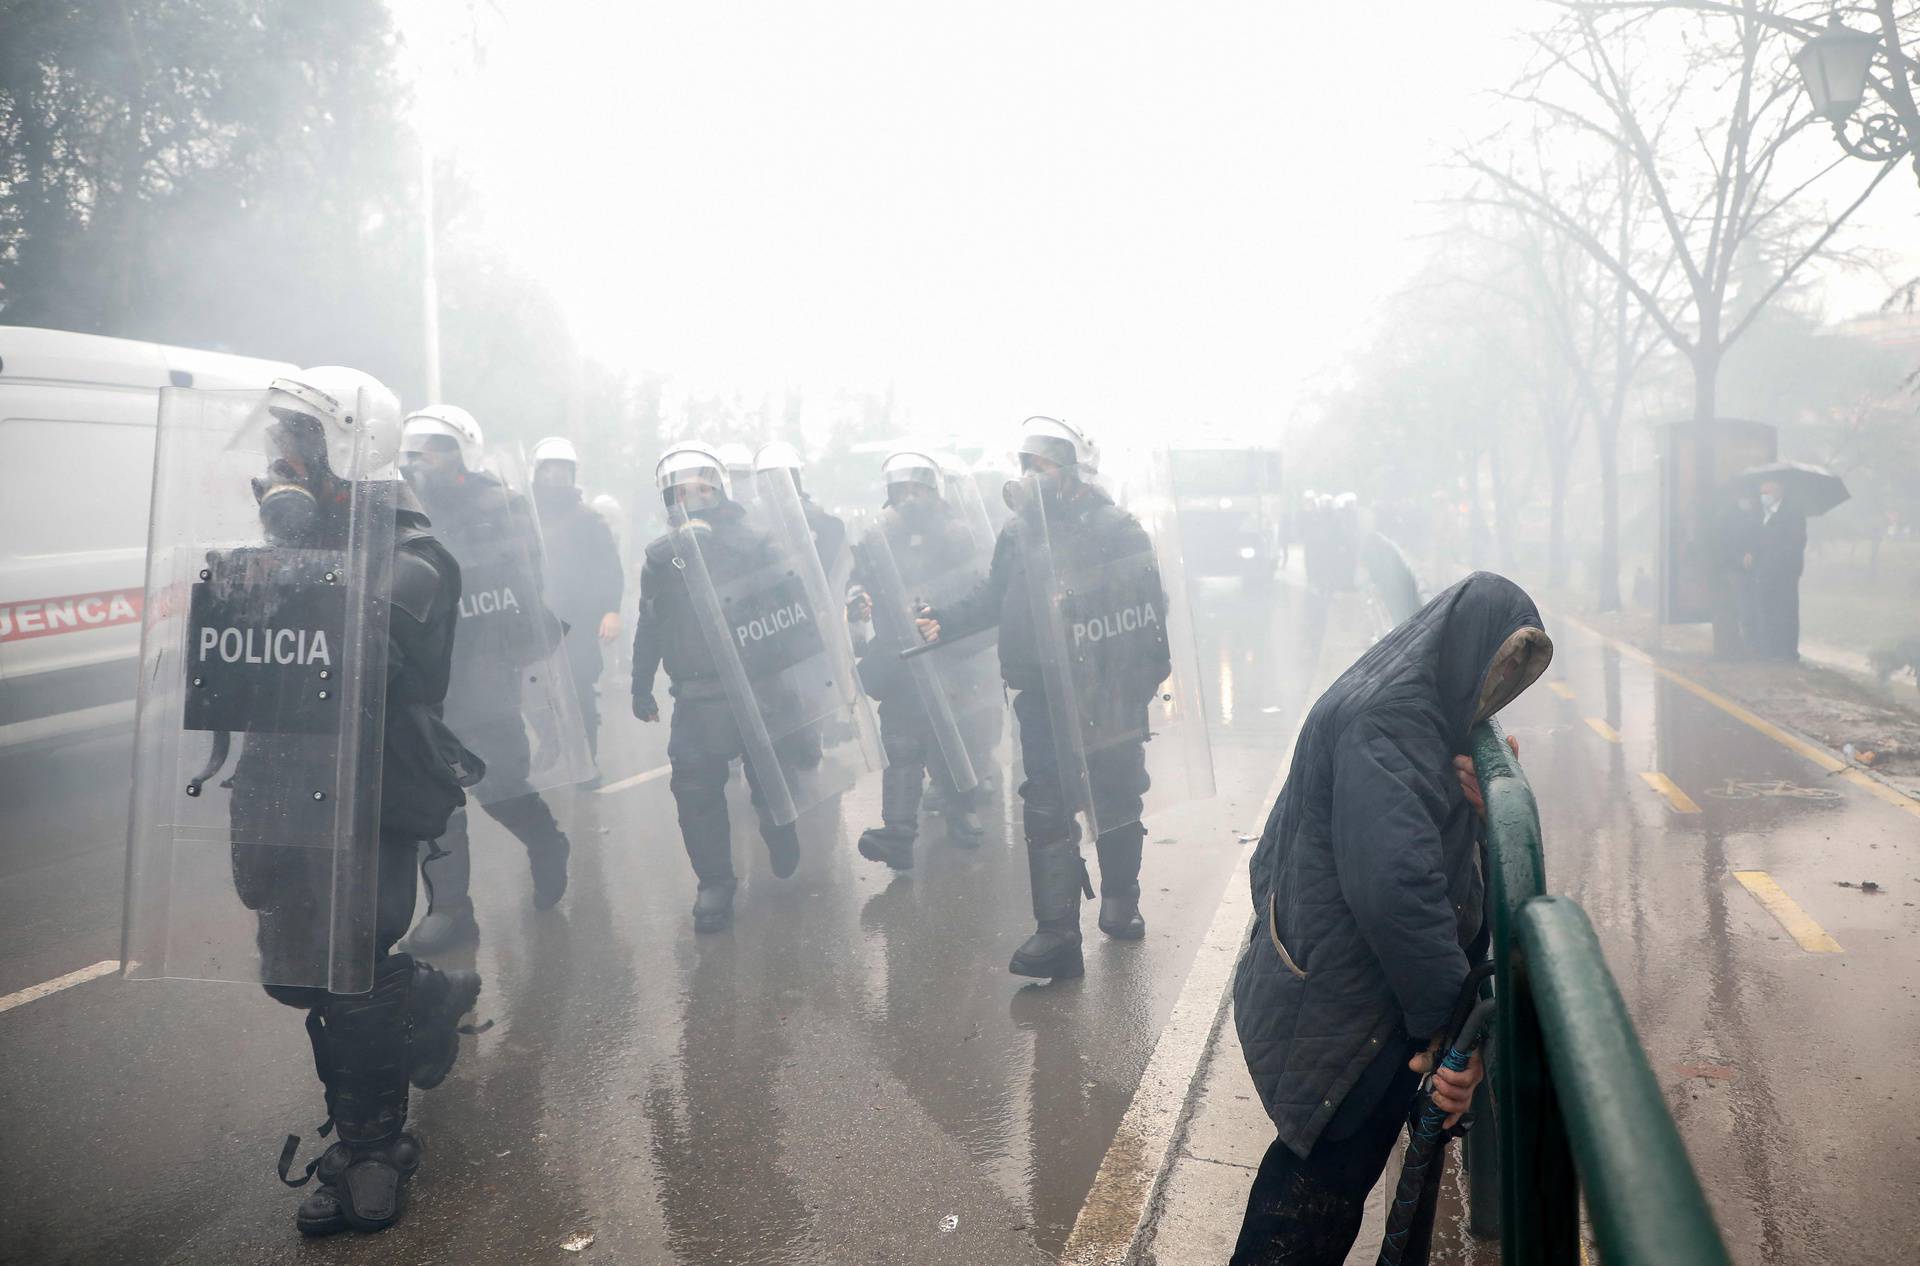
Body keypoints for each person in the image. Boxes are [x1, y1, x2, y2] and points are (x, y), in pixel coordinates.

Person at [137, 367, 482, 1235]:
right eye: (278, 438)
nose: (279, 458)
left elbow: (365, 657)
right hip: (281, 781)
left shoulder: (417, 557)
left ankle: (371, 1146)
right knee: (297, 975)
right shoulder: (284, 537)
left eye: (298, 440)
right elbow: (228, 655)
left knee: (351, 966)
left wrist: (291, 551)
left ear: (349, 448)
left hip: (370, 784)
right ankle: (430, 995)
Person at [1229, 571, 1551, 1265]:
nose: (1493, 700)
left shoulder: (1413, 693)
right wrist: (1445, 1032)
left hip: (1331, 972)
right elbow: (1396, 887)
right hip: (1347, 997)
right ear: (1465, 646)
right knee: (1318, 1176)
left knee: (1321, 1169)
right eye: (1494, 676)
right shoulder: (1392, 719)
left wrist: (1474, 806)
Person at [916, 416, 1170, 979]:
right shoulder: (1019, 532)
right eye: (1024, 465)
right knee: (1047, 804)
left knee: (1115, 795)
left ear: (1072, 472)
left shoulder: (1118, 529)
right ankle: (1057, 934)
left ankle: (1121, 900)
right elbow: (994, 595)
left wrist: (1135, 687)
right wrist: (946, 621)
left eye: (1042, 465)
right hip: (1041, 695)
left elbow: (1151, 618)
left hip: (1104, 691)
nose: (1030, 477)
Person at [400, 407, 576, 951]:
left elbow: (523, 583)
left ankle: (545, 840)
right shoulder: (398, 508)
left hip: (484, 667)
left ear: (462, 453)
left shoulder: (500, 507)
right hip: (420, 672)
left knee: (496, 784)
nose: (419, 458)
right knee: (436, 798)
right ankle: (451, 909)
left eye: (434, 446)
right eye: (413, 449)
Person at [630, 442, 807, 933]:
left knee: (771, 776)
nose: (694, 498)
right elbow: (650, 623)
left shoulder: (755, 542)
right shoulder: (662, 559)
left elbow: (792, 608)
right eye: (682, 492)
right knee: (693, 786)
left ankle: (779, 824)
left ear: (720, 491)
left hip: (757, 687)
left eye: (703, 489)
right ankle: (715, 883)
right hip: (696, 691)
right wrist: (640, 683)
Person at [848, 449, 992, 870]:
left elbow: (978, 586)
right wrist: (857, 600)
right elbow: (858, 582)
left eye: (918, 489)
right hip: (902, 655)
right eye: (902, 490)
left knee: (956, 738)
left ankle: (960, 810)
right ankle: (898, 833)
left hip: (950, 652)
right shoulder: (876, 539)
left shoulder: (959, 535)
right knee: (903, 744)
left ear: (934, 491)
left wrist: (946, 620)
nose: (910, 499)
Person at [530, 436, 625, 778]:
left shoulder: (589, 520)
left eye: (563, 473)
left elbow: (609, 570)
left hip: (579, 621)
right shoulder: (522, 516)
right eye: (549, 473)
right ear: (538, 474)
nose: (556, 480)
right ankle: (552, 737)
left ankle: (586, 760)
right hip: (534, 618)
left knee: (580, 689)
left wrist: (611, 611)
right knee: (530, 690)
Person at [1746, 478, 1806, 663]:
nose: (1764, 497)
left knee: (1786, 610)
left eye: (1767, 493)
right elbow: (1757, 538)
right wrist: (1752, 552)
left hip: (1785, 571)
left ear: (1778, 492)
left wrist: (1773, 554)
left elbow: (1796, 542)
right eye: (1762, 493)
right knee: (1767, 608)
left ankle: (1788, 651)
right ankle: (1770, 649)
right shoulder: (1761, 514)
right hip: (1764, 569)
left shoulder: (1792, 513)